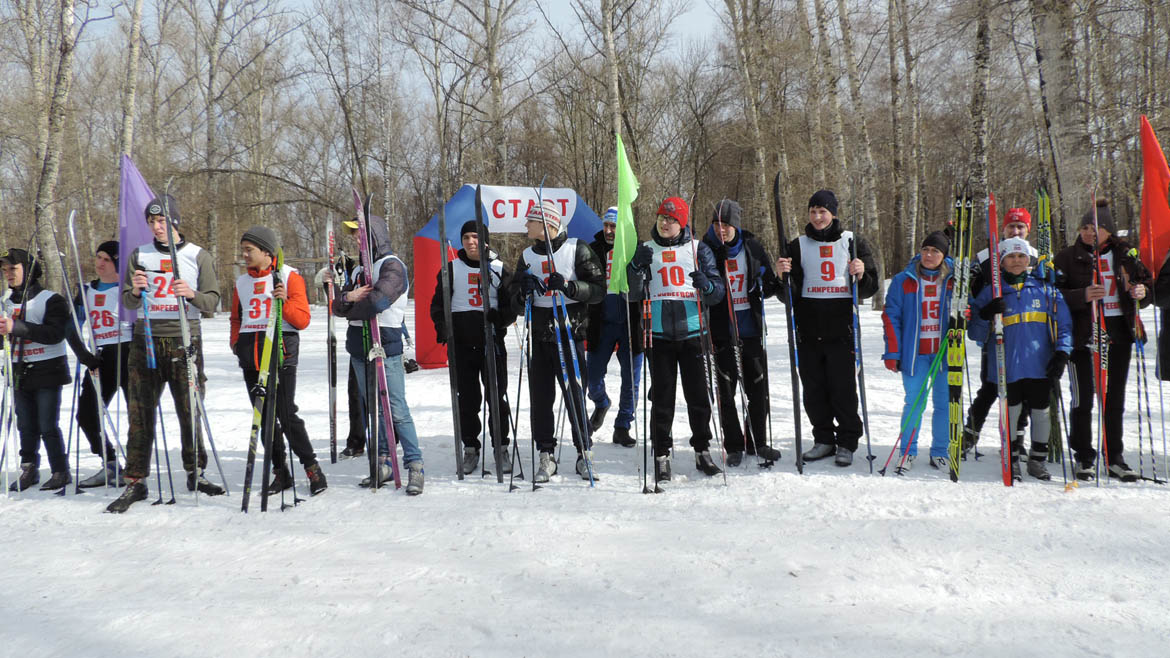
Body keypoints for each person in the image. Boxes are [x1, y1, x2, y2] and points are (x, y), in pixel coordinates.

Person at [107, 195, 224, 513]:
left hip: (184, 339)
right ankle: (136, 479)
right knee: (139, 412)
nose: (157, 227)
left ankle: (195, 472)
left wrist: (192, 294)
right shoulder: (139, 255)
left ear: (174, 221)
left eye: (162, 221)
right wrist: (134, 290)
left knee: (190, 410)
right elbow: (126, 303)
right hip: (145, 338)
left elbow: (213, 301)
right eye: (152, 222)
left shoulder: (197, 255)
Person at [775, 190, 878, 467]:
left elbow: (870, 288)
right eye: (813, 211)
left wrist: (861, 274)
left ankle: (846, 441)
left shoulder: (853, 242)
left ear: (833, 213)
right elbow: (788, 295)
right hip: (808, 331)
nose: (817, 217)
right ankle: (823, 439)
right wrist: (782, 276)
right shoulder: (797, 246)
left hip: (842, 331)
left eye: (823, 211)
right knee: (814, 391)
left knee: (843, 390)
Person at [627, 196, 726, 481]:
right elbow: (631, 294)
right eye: (662, 218)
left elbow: (717, 292)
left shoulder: (698, 249)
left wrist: (707, 285)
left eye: (672, 219)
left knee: (699, 397)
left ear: (682, 223)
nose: (665, 223)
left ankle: (702, 450)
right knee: (662, 399)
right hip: (658, 335)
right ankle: (661, 454)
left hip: (694, 333)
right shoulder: (646, 248)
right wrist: (635, 268)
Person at [507, 199, 605, 483]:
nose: (526, 225)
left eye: (531, 221)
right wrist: (523, 291)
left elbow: (599, 290)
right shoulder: (527, 255)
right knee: (541, 398)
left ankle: (584, 453)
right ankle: (546, 453)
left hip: (570, 333)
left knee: (575, 394)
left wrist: (569, 286)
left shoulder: (577, 248)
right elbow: (514, 302)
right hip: (540, 335)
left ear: (547, 224)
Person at [1054, 199, 1152, 481]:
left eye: (1095, 228)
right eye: (1084, 227)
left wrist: (1142, 292)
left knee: (1113, 399)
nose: (1089, 233)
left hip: (1118, 334)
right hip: (1082, 337)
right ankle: (1084, 456)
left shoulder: (1126, 254)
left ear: (1108, 230)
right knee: (1083, 398)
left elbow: (1145, 283)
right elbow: (1054, 296)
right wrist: (1082, 295)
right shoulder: (1068, 257)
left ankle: (1114, 457)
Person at [230, 226, 327, 496]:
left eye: (249, 250)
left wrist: (284, 302)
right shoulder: (242, 282)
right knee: (264, 417)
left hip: (281, 352)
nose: (244, 254)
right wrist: (236, 344)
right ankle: (280, 472)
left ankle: (312, 468)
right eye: (243, 249)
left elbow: (303, 319)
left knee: (286, 414)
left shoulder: (289, 277)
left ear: (266, 252)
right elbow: (236, 318)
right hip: (251, 354)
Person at [332, 214, 424, 495]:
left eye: (360, 234)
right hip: (359, 348)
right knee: (373, 409)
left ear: (374, 235)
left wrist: (350, 304)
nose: (356, 239)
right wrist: (347, 298)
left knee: (396, 408)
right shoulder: (360, 270)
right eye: (354, 235)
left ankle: (415, 464)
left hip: (386, 346)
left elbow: (378, 301)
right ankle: (383, 462)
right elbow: (337, 305)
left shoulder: (392, 265)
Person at [969, 237, 1073, 480]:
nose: (1016, 261)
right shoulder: (992, 292)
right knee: (1012, 412)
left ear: (1029, 260)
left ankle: (1037, 460)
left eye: (1021, 256)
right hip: (1007, 365)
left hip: (1040, 364)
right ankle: (1012, 458)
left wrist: (1061, 353)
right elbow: (975, 333)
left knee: (1041, 412)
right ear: (1002, 262)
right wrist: (984, 315)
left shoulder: (1045, 289)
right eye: (1011, 257)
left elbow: (1064, 325)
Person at [430, 220, 516, 475]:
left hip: (491, 342)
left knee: (496, 397)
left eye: (476, 237)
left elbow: (512, 305)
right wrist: (443, 328)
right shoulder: (451, 268)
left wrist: (501, 319)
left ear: (485, 241)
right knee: (467, 399)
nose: (471, 242)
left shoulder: (499, 268)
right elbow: (438, 304)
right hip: (462, 343)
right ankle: (470, 447)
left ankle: (501, 447)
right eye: (466, 237)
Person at [701, 199, 783, 466]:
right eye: (716, 224)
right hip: (722, 331)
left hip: (750, 330)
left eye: (726, 225)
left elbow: (769, 287)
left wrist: (767, 281)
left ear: (735, 225)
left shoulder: (752, 247)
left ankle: (757, 441)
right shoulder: (705, 249)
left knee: (758, 389)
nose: (721, 229)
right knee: (726, 392)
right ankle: (734, 445)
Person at [964, 207, 1038, 458]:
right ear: (1003, 229)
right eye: (1011, 227)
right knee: (990, 385)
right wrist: (981, 311)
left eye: (1020, 227)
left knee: (1023, 387)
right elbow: (969, 289)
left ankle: (1017, 438)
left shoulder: (1035, 256)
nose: (1015, 231)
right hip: (994, 331)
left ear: (1028, 230)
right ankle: (970, 432)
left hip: (1027, 334)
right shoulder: (985, 257)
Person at [0, 248, 73, 491]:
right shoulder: (5, 301)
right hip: (19, 370)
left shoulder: (51, 299)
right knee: (25, 424)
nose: (8, 274)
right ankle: (28, 468)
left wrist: (17, 327)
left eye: (13, 268)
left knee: (47, 424)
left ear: (29, 269)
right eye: (5, 270)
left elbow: (55, 334)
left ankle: (60, 470)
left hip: (47, 369)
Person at [881, 231, 954, 471]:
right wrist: (893, 353)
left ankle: (940, 451)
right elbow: (891, 317)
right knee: (914, 403)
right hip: (915, 354)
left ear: (944, 256)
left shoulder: (953, 280)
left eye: (935, 251)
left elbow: (968, 309)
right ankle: (907, 452)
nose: (929, 255)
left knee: (944, 403)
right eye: (926, 250)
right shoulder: (904, 279)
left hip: (944, 353)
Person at [73, 241, 130, 487]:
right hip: (101, 356)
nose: (100, 263)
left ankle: (136, 469)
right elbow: (71, 327)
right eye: (98, 257)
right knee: (87, 414)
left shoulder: (128, 289)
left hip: (128, 353)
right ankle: (110, 464)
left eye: (107, 259)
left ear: (118, 262)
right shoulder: (87, 290)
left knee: (137, 414)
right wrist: (83, 354)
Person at [585, 207, 642, 448]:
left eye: (614, 226)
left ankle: (623, 426)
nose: (609, 231)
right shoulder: (592, 249)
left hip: (631, 322)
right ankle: (601, 402)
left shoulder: (635, 249)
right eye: (606, 226)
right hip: (601, 322)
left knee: (631, 378)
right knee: (592, 376)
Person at [315, 254, 367, 458]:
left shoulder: (386, 266)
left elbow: (371, 303)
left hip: (381, 338)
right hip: (357, 339)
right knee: (355, 393)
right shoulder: (356, 272)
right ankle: (356, 441)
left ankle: (389, 438)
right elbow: (341, 303)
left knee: (382, 395)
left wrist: (349, 304)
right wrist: (332, 287)